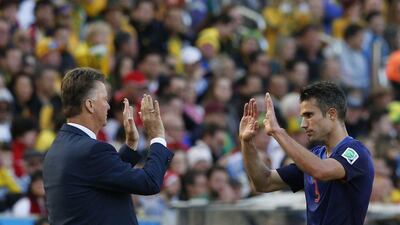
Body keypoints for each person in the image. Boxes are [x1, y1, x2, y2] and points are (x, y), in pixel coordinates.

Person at [43, 67, 174, 225]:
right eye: (105, 100)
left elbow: (101, 177)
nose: (109, 106)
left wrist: (131, 146)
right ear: (90, 105)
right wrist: (157, 137)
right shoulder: (91, 151)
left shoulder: (58, 148)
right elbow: (150, 182)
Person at [239, 81, 374, 225]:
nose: (303, 124)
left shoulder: (356, 152)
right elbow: (264, 182)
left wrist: (277, 131)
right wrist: (247, 143)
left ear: (332, 114)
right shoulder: (314, 157)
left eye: (309, 115)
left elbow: (321, 170)